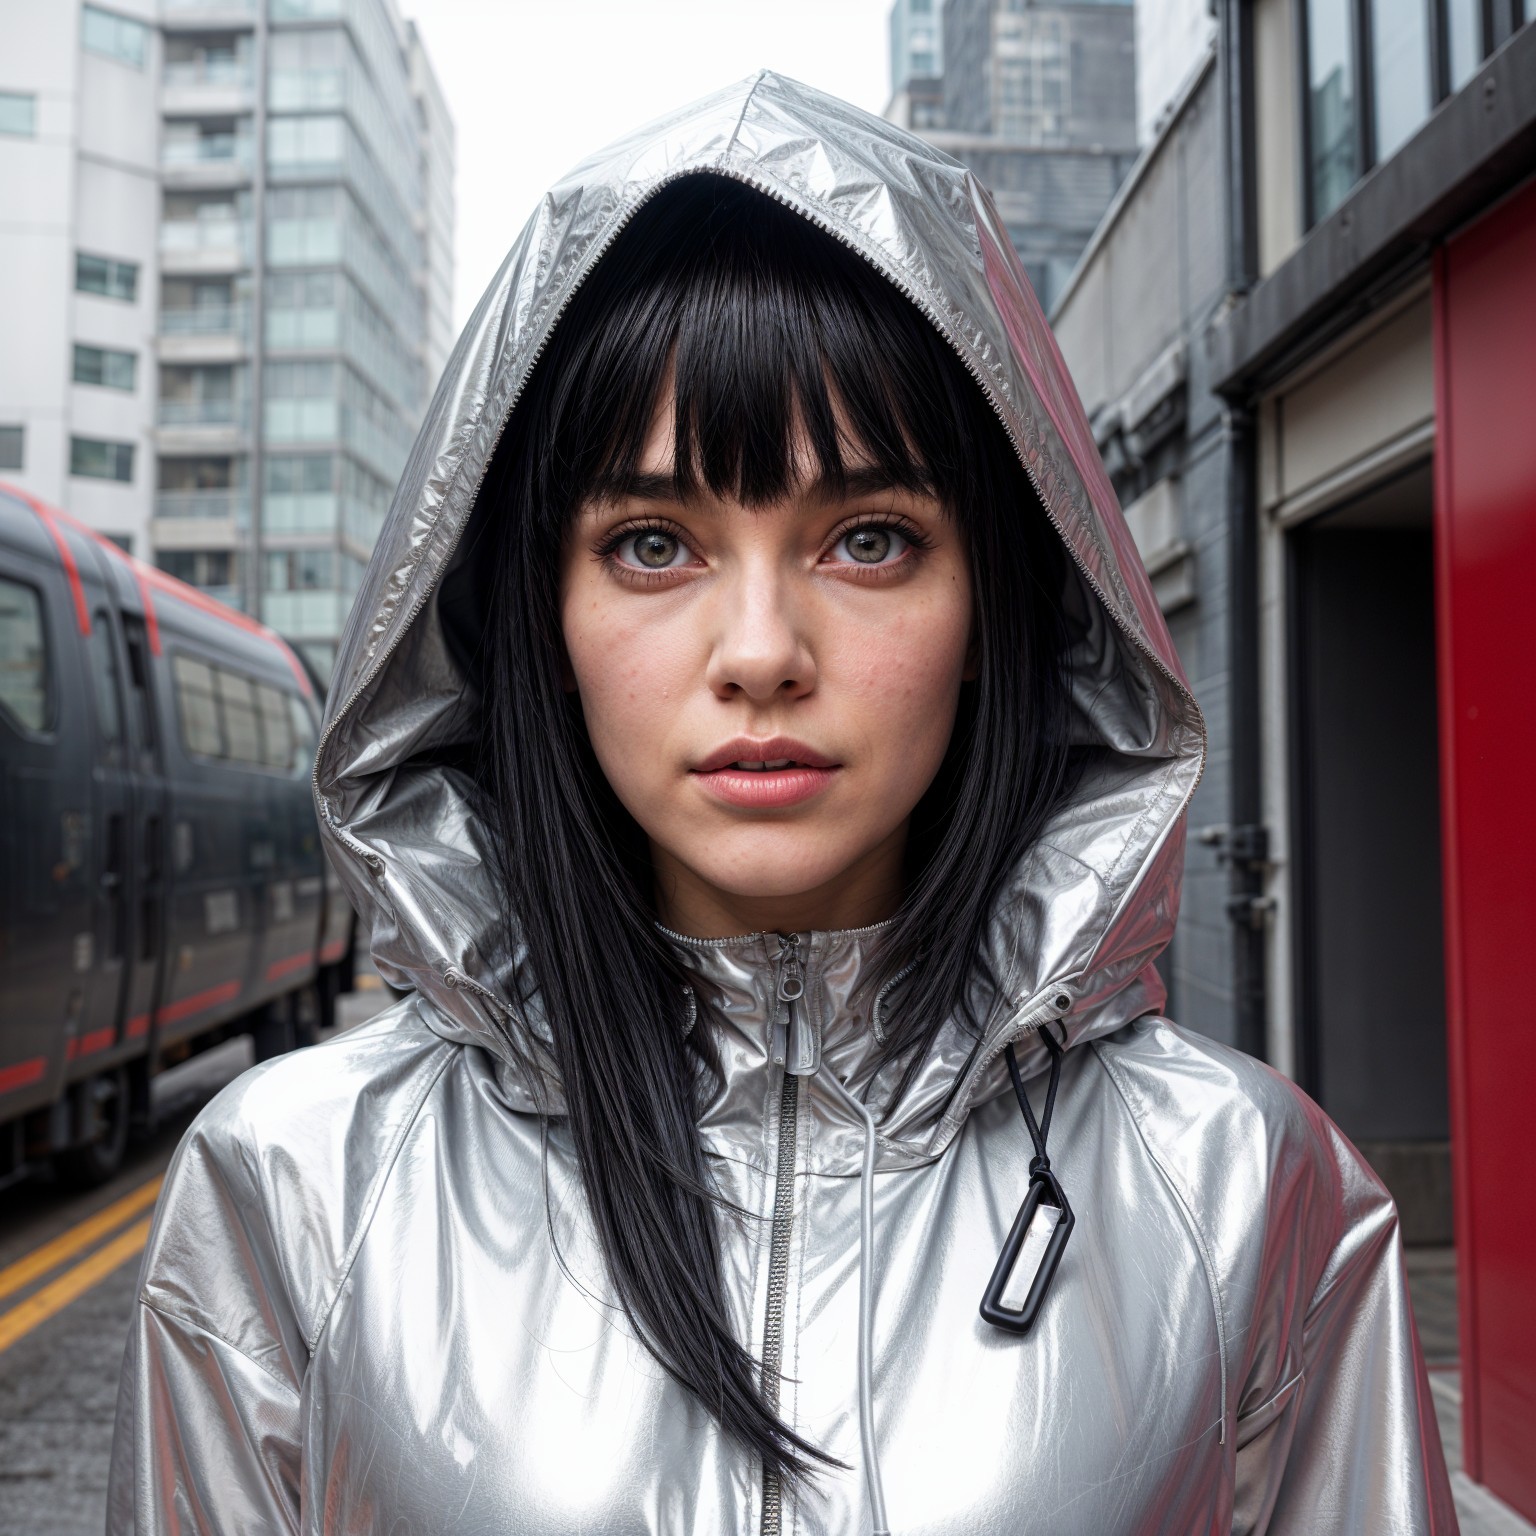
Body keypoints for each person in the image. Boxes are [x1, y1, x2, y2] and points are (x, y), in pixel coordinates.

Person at [107, 73, 1455, 1535]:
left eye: (869, 539)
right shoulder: (296, 1182)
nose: (760, 653)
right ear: (537, 616)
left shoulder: (1242, 1187)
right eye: (652, 545)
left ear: (998, 606)